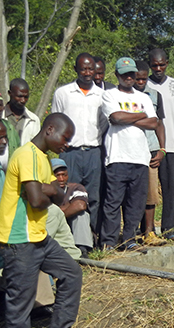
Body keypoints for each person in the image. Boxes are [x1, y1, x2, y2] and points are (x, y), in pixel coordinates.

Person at [0, 113, 86, 328]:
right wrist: (48, 191)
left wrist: (48, 190)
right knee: (20, 302)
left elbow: (58, 195)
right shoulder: (26, 155)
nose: (67, 144)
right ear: (50, 129)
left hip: (38, 236)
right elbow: (38, 200)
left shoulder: (44, 158)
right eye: (65, 137)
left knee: (72, 273)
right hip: (19, 239)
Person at [99, 57, 158, 250]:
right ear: (117, 75)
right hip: (117, 156)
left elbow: (154, 123)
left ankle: (129, 239)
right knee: (113, 202)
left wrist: (128, 118)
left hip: (140, 157)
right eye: (124, 74)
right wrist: (141, 115)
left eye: (131, 74)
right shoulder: (109, 95)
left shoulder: (143, 98)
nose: (129, 77)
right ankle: (109, 241)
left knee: (135, 203)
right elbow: (115, 117)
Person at [52, 52, 108, 235]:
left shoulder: (102, 95)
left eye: (90, 68)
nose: (87, 72)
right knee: (68, 195)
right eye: (83, 68)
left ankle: (91, 237)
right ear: (75, 69)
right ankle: (68, 238)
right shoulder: (63, 93)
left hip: (94, 152)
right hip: (70, 153)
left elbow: (103, 123)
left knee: (94, 196)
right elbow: (55, 120)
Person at [147, 48, 174, 242]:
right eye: (154, 65)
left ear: (167, 63)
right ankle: (147, 231)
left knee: (170, 190)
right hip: (150, 147)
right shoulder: (142, 84)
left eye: (161, 64)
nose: (158, 68)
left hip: (171, 146)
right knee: (148, 191)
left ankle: (169, 230)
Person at [134, 60, 167, 246]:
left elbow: (159, 124)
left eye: (144, 79)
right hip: (130, 150)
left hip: (151, 148)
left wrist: (162, 148)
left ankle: (149, 232)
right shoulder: (123, 96)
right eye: (137, 79)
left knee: (151, 193)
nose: (140, 82)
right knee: (131, 194)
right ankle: (131, 233)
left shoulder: (155, 95)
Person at [51, 158, 94, 258]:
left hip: (71, 227)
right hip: (53, 228)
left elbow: (80, 205)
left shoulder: (76, 187)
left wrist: (59, 215)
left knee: (82, 215)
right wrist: (68, 206)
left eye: (64, 175)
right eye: (57, 175)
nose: (61, 179)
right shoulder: (44, 189)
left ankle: (82, 248)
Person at [1, 78, 40, 146]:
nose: (23, 100)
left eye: (26, 97)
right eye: (20, 96)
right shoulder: (1, 115)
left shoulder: (34, 120)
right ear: (10, 93)